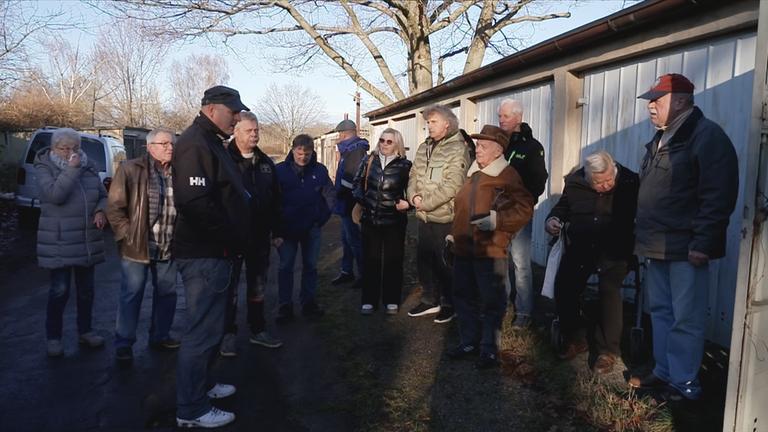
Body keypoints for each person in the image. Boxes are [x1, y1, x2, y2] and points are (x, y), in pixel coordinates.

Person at [629, 73, 738, 402]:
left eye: (656, 100)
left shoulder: (706, 136)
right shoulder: (661, 138)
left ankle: (685, 385)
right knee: (661, 312)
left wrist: (703, 243)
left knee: (686, 320)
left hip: (686, 247)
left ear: (679, 101)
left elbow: (718, 194)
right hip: (657, 244)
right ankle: (664, 372)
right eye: (650, 100)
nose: (650, 106)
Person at [172, 85, 251, 429]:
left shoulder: (209, 141)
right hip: (206, 253)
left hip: (218, 252)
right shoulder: (194, 143)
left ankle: (203, 386)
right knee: (201, 332)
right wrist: (229, 237)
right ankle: (191, 408)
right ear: (212, 109)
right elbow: (195, 203)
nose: (237, 118)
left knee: (213, 329)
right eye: (233, 112)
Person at [446, 125, 533, 369]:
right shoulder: (473, 173)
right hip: (464, 248)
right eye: (477, 145)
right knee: (463, 296)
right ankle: (469, 342)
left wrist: (498, 221)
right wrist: (454, 235)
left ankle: (489, 348)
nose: (477, 149)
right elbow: (462, 209)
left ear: (498, 151)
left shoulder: (507, 174)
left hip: (490, 249)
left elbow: (524, 208)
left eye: (483, 146)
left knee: (491, 300)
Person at [545, 151, 638, 374]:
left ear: (614, 170)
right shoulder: (576, 182)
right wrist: (553, 220)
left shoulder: (629, 181)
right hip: (582, 246)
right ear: (588, 178)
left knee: (609, 290)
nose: (606, 186)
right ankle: (577, 337)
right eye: (599, 182)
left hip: (615, 248)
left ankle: (608, 351)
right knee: (564, 286)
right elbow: (563, 207)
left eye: (609, 180)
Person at [107, 127, 180, 364]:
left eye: (172, 144)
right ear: (150, 147)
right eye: (164, 144)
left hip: (168, 245)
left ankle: (160, 336)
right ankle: (124, 344)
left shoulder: (179, 171)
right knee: (132, 295)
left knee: (167, 295)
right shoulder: (130, 169)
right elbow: (115, 207)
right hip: (137, 246)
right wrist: (126, 235)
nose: (170, 148)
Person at [36, 128, 107, 357]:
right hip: (59, 241)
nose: (70, 152)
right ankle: (54, 337)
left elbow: (103, 195)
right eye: (64, 148)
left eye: (75, 148)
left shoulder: (89, 165)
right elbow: (55, 196)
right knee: (60, 291)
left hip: (86, 239)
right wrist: (72, 169)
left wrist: (101, 210)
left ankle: (85, 331)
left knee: (86, 291)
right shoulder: (45, 167)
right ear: (54, 147)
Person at [220, 112, 283, 357]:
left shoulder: (266, 163)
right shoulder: (224, 160)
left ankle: (258, 330)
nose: (255, 134)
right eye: (249, 130)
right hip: (232, 238)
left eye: (257, 130)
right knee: (230, 289)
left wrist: (277, 231)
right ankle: (228, 334)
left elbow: (277, 200)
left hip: (259, 238)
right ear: (236, 131)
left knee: (257, 286)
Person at [407, 104, 471, 323]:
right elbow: (413, 174)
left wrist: (426, 203)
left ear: (447, 123)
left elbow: (454, 184)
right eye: (427, 122)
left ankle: (448, 303)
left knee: (445, 262)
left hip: (444, 216)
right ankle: (429, 299)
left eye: (433, 122)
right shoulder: (424, 147)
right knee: (424, 260)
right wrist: (413, 197)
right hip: (423, 215)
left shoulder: (457, 148)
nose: (429, 126)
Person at [497, 99, 548, 328]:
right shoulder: (498, 145)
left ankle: (524, 312)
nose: (501, 120)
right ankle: (502, 305)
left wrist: (524, 202)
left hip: (519, 214)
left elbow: (539, 180)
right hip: (497, 213)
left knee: (520, 263)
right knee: (498, 260)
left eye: (505, 116)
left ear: (518, 117)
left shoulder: (531, 147)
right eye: (500, 116)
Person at [274, 134, 335, 322]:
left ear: (312, 152)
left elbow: (329, 196)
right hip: (286, 231)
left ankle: (308, 302)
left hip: (311, 229)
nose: (303, 157)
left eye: (307, 154)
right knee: (285, 268)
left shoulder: (320, 171)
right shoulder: (279, 171)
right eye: (299, 153)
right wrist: (275, 231)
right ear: (292, 150)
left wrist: (321, 219)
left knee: (310, 267)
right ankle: (285, 306)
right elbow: (271, 202)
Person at [352, 128, 412, 315]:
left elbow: (413, 191)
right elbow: (356, 184)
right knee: (371, 261)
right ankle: (369, 300)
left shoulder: (406, 165)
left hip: (394, 222)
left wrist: (408, 204)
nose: (384, 144)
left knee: (393, 262)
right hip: (370, 220)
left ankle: (391, 299)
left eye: (389, 142)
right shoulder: (369, 160)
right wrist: (365, 201)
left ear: (397, 144)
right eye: (382, 140)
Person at [331, 119, 369, 288]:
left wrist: (337, 192)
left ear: (345, 134)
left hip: (351, 203)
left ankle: (363, 275)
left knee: (354, 239)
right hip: (345, 202)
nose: (338, 137)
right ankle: (347, 271)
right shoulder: (349, 150)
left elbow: (352, 180)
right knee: (346, 239)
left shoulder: (355, 150)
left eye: (339, 134)